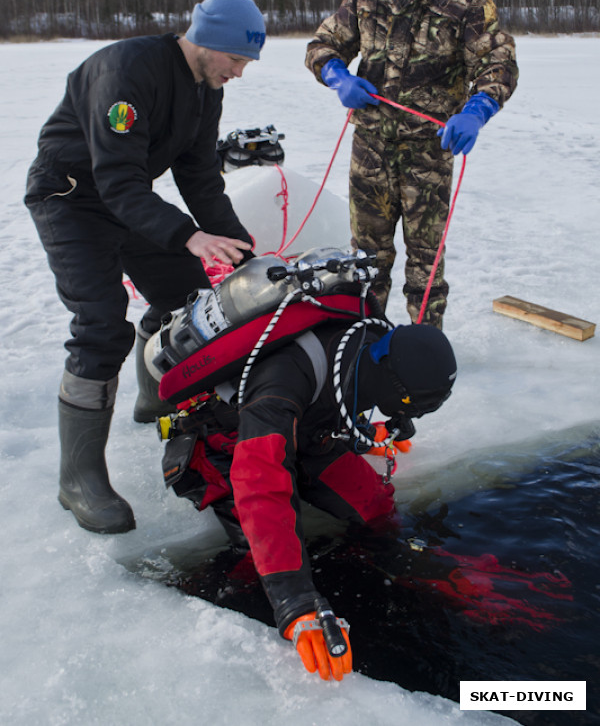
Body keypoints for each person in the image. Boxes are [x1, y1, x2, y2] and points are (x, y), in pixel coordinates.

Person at [24, 0, 266, 535]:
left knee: (187, 299)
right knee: (101, 325)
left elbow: (201, 178)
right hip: (69, 198)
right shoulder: (126, 74)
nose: (240, 73)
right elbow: (116, 181)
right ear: (209, 42)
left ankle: (153, 396)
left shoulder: (206, 90)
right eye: (237, 60)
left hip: (127, 197)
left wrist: (243, 247)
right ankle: (78, 479)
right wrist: (188, 236)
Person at [155, 272, 457, 681]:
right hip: (228, 443)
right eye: (412, 409)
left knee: (374, 505)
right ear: (394, 386)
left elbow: (340, 399)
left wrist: (371, 434)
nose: (411, 418)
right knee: (255, 553)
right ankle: (225, 595)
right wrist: (295, 604)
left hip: (307, 434)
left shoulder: (367, 337)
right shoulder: (289, 375)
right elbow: (259, 481)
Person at [305, 0, 518, 327]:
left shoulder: (468, 3)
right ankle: (363, 343)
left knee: (426, 264)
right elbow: (321, 46)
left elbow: (499, 63)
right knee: (367, 260)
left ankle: (424, 350)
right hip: (370, 152)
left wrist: (477, 110)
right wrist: (337, 77)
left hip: (429, 154)